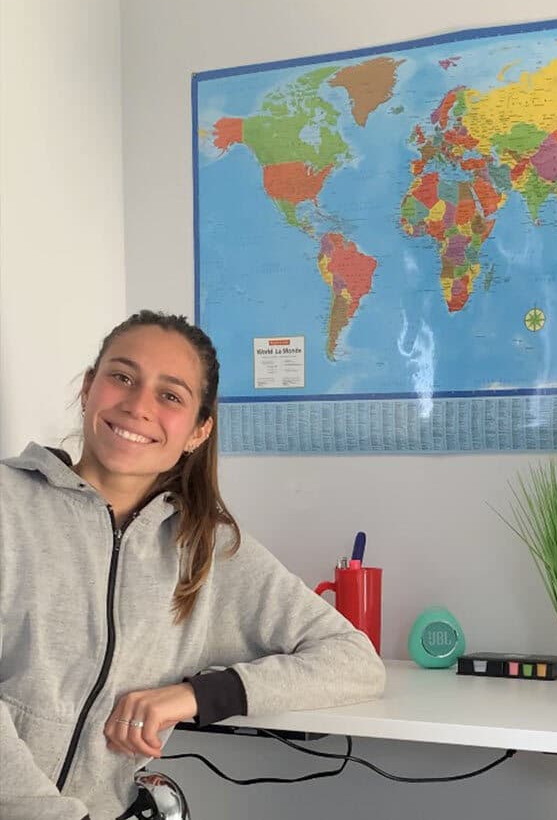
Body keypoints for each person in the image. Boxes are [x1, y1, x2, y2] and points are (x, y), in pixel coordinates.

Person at [0, 310, 386, 820]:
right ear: (89, 387)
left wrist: (196, 694)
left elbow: (354, 661)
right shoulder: (9, 503)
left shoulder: (206, 549)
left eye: (170, 395)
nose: (138, 406)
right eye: (122, 377)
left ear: (199, 430)